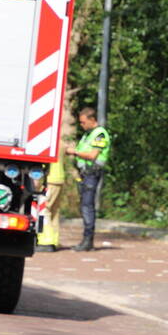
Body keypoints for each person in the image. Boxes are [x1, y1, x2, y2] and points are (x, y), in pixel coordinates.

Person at [65, 107, 112, 252]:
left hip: (92, 173)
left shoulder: (99, 134)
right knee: (85, 206)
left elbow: (92, 155)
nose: (82, 125)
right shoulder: (88, 134)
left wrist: (75, 152)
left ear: (92, 120)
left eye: (84, 122)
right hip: (85, 174)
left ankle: (88, 241)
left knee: (87, 206)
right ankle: (86, 240)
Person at [36, 159, 65, 252]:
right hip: (59, 177)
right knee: (54, 212)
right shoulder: (62, 143)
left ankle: (46, 241)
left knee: (45, 209)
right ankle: (55, 240)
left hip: (50, 179)